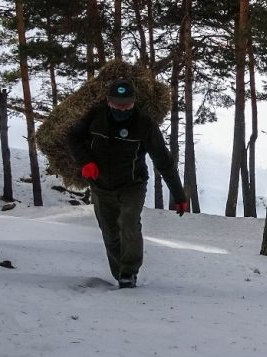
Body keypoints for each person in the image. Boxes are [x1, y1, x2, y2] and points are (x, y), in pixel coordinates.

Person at [67, 78, 188, 288]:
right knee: (110, 232)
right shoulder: (95, 117)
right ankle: (120, 272)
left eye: (126, 105)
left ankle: (128, 274)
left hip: (133, 184)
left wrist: (178, 195)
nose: (121, 109)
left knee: (129, 225)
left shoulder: (144, 124)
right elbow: (73, 137)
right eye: (117, 104)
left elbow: (163, 160)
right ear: (108, 101)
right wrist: (85, 161)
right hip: (100, 185)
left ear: (134, 102)